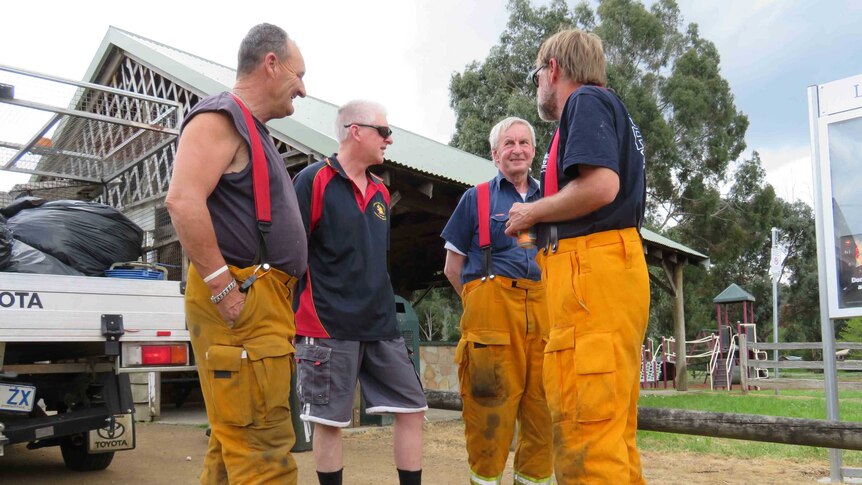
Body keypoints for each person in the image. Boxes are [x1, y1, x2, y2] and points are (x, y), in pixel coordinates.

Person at [165, 23, 308, 485]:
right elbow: (182, 199)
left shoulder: (253, 129)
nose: (303, 89)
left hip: (262, 299)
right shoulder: (220, 117)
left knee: (234, 446)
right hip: (245, 297)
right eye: (298, 74)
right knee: (263, 452)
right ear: (271, 64)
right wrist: (224, 287)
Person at [505, 29, 650, 484]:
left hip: (589, 276)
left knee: (585, 429)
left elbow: (600, 186)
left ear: (553, 69)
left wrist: (530, 210)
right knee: (610, 431)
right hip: (603, 273)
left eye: (536, 76)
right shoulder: (607, 106)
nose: (538, 89)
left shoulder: (584, 102)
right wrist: (539, 224)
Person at [292, 100, 427, 485]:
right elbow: (291, 251)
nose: (389, 139)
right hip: (328, 323)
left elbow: (374, 260)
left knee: (413, 408)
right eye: (383, 131)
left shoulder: (383, 193)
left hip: (381, 325)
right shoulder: (314, 180)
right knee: (330, 421)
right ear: (356, 131)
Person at [440, 117, 553, 485]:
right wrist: (481, 305)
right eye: (508, 144)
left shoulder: (552, 200)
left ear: (534, 151)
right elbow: (452, 269)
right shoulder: (475, 199)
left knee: (543, 414)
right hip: (491, 322)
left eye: (524, 142)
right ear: (494, 154)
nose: (517, 149)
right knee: (488, 418)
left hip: (544, 320)